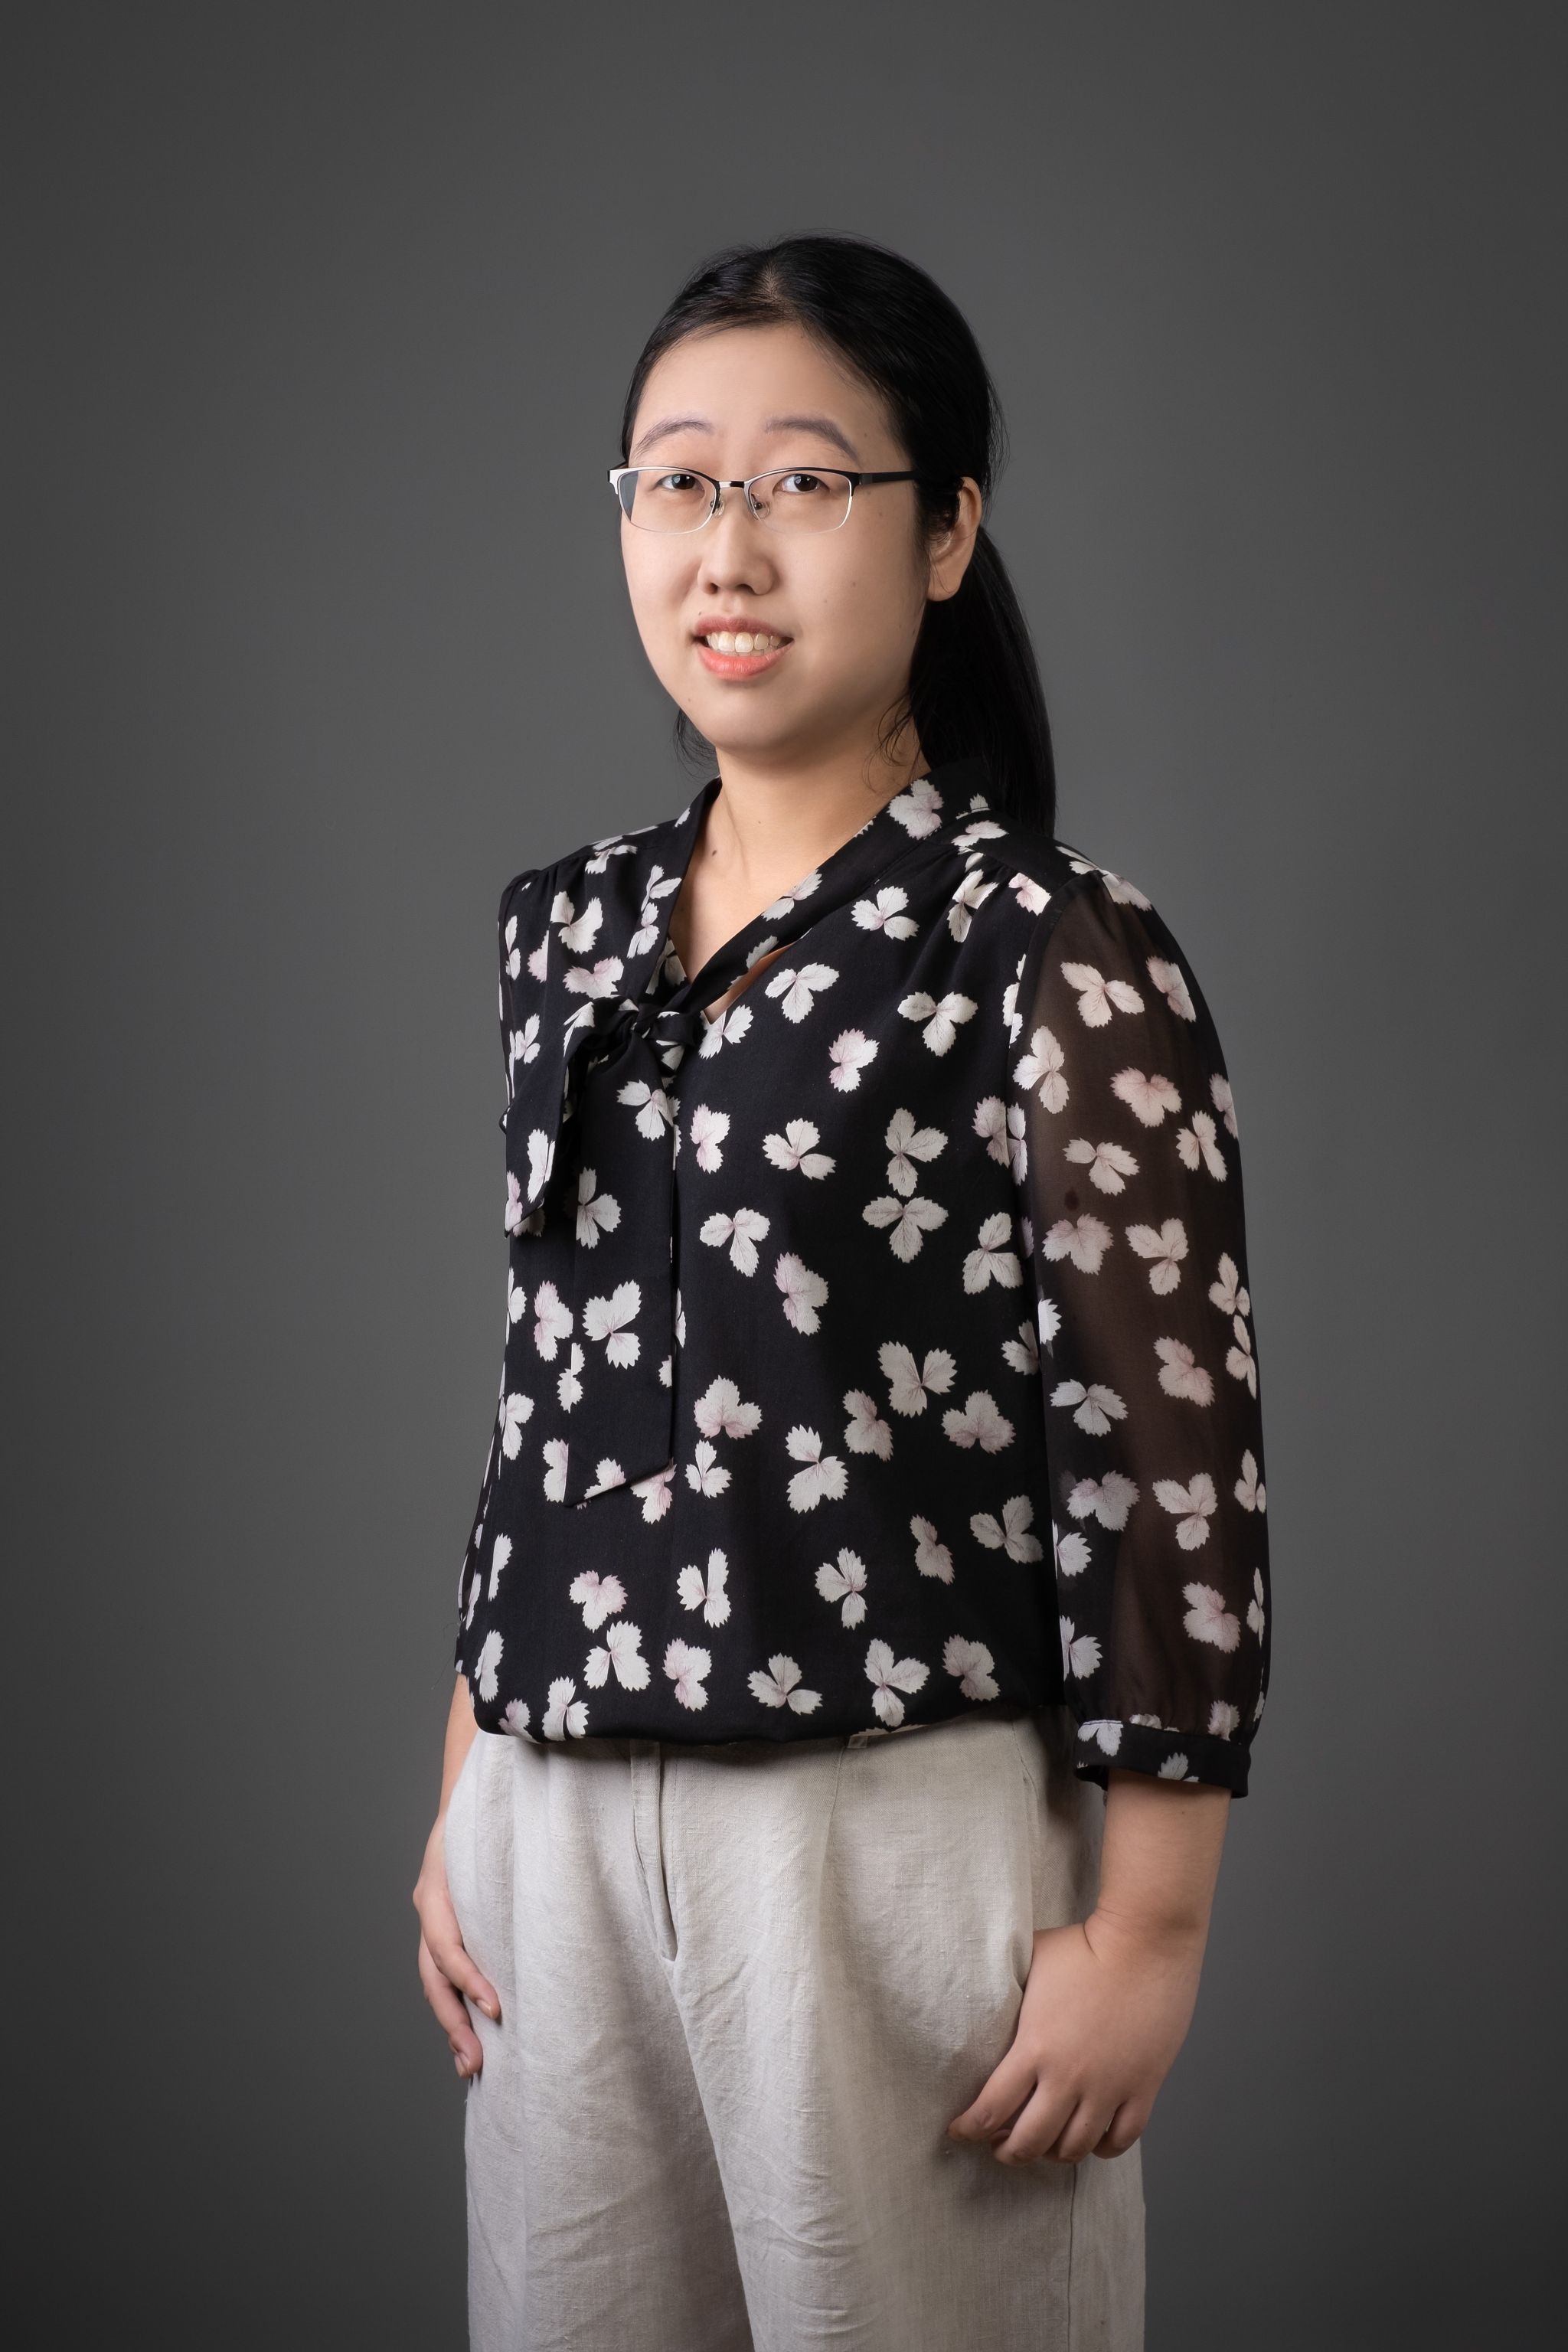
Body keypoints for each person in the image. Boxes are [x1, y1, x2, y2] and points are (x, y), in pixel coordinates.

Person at [412, 231, 1271, 2352]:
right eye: (676, 482)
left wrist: (1150, 1930)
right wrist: (463, 1795)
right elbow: (551, 1387)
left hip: (883, 1826)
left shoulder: (1047, 946)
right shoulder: (564, 930)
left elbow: (1168, 1461)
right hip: (552, 1819)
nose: (729, 546)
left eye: (803, 481)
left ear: (946, 529)